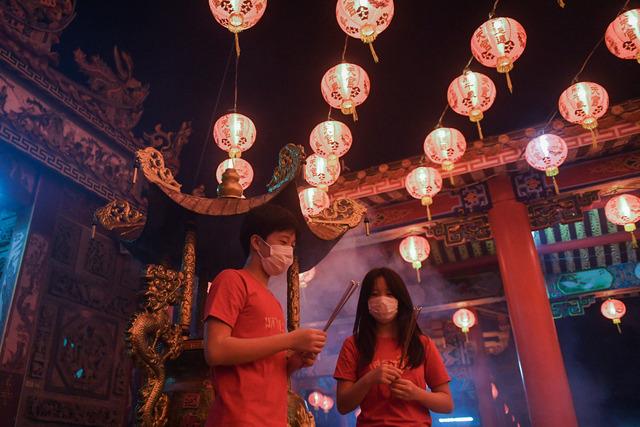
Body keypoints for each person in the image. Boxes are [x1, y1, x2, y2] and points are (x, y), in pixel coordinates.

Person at [203, 204, 327, 426]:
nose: (289, 251)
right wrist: (290, 339)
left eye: (292, 245)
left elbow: (269, 366)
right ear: (257, 242)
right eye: (283, 241)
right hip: (239, 418)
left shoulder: (272, 301)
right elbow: (216, 350)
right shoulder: (232, 280)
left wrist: (296, 360)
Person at [334, 267, 453, 426]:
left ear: (400, 298)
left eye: (389, 294)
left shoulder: (421, 343)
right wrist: (369, 379)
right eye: (374, 294)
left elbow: (447, 404)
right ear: (365, 301)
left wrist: (417, 393)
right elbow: (343, 405)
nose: (382, 300)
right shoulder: (353, 345)